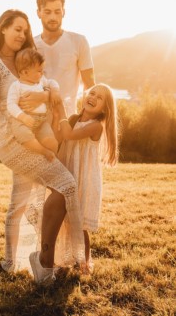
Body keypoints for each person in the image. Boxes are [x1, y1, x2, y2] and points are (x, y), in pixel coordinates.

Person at [0, 9, 85, 284]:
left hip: (36, 137)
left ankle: (10, 261)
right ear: (2, 28)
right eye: (16, 28)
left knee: (20, 201)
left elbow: (51, 90)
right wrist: (13, 139)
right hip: (17, 143)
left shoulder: (26, 61)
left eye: (25, 30)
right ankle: (49, 260)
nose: (22, 34)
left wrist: (45, 94)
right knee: (67, 184)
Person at [52, 83, 118, 271]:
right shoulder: (72, 118)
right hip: (69, 173)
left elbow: (70, 135)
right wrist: (58, 117)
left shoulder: (96, 126)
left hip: (84, 180)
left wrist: (61, 110)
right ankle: (64, 259)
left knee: (79, 223)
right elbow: (59, 137)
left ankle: (84, 264)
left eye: (99, 98)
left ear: (105, 109)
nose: (93, 97)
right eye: (92, 93)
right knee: (63, 219)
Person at [19, 0, 95, 117]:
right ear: (38, 13)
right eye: (47, 12)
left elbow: (90, 85)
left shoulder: (79, 41)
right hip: (37, 121)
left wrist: (85, 118)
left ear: (63, 12)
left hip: (69, 119)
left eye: (57, 11)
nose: (53, 17)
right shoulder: (30, 46)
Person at [7, 48, 60, 161]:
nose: (42, 73)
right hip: (22, 121)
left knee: (53, 143)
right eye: (39, 71)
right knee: (23, 136)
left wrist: (54, 91)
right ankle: (43, 151)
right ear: (24, 72)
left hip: (41, 121)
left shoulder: (40, 81)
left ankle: (50, 153)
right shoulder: (17, 86)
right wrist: (23, 117)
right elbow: (11, 104)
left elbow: (52, 82)